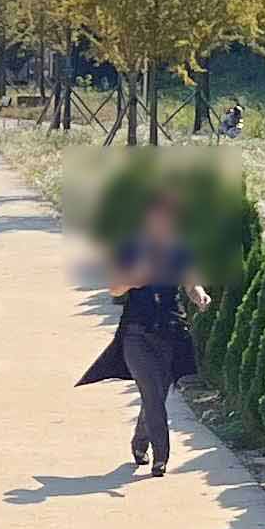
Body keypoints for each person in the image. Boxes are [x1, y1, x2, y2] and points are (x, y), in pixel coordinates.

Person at [79, 191, 203, 475]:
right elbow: (115, 288)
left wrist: (199, 295)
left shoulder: (180, 248)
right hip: (137, 333)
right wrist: (134, 280)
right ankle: (161, 457)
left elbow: (191, 281)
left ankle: (139, 441)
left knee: (156, 395)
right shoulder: (130, 247)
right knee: (151, 394)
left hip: (171, 331)